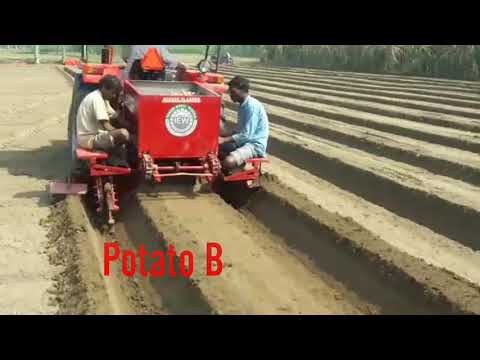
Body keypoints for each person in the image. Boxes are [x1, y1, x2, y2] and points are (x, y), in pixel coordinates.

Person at [76, 75, 130, 167]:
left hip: (92, 136)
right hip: (89, 139)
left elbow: (115, 116)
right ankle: (114, 158)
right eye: (112, 93)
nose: (113, 96)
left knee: (124, 132)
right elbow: (106, 125)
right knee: (123, 134)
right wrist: (128, 135)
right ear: (104, 88)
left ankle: (115, 156)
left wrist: (130, 125)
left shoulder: (102, 98)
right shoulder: (96, 99)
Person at [219, 76, 269, 172]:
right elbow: (239, 130)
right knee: (216, 149)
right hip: (245, 141)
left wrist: (223, 140)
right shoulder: (243, 105)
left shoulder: (251, 107)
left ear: (242, 90)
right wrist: (221, 135)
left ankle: (221, 178)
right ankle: (232, 170)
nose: (230, 95)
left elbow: (247, 135)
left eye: (233, 92)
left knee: (228, 161)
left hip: (254, 144)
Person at [122, 45, 186, 80]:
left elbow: (129, 63)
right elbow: (172, 61)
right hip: (156, 79)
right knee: (182, 68)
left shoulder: (134, 47)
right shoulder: (160, 46)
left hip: (138, 78)